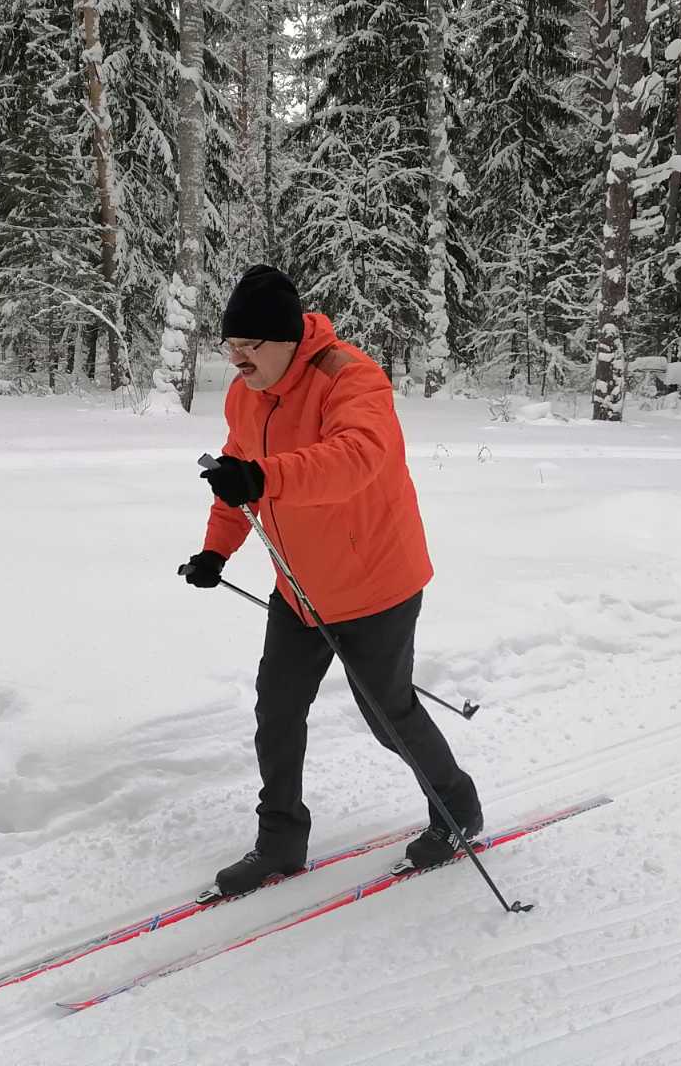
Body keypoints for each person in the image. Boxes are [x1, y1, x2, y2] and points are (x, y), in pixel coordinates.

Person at [180, 264, 482, 897]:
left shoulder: (351, 377)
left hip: (376, 582)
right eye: (228, 345)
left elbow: (356, 459)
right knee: (278, 710)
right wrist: (216, 552)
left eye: (248, 346)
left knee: (387, 713)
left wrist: (264, 478)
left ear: (287, 340)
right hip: (299, 586)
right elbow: (236, 477)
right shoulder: (245, 395)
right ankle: (281, 841)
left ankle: (457, 807)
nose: (235, 359)